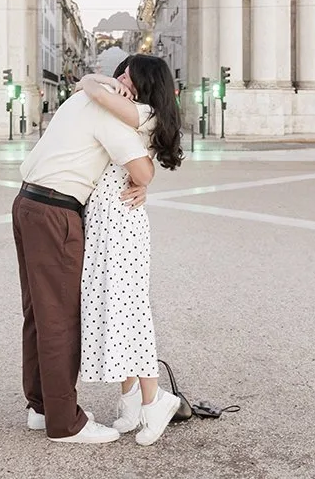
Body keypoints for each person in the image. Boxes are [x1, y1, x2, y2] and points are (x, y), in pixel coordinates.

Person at [12, 69, 156, 444]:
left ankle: (42, 408)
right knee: (59, 318)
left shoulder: (82, 98)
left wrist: (92, 80)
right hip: (56, 211)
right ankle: (65, 423)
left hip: (27, 202)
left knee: (38, 314)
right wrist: (141, 183)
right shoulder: (110, 111)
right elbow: (142, 169)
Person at [73, 54, 185, 446]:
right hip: (106, 220)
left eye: (126, 73)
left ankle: (155, 401)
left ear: (144, 82)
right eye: (118, 71)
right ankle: (130, 400)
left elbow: (94, 94)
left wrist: (92, 76)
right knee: (110, 308)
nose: (119, 77)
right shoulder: (137, 110)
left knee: (129, 310)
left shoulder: (143, 111)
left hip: (121, 223)